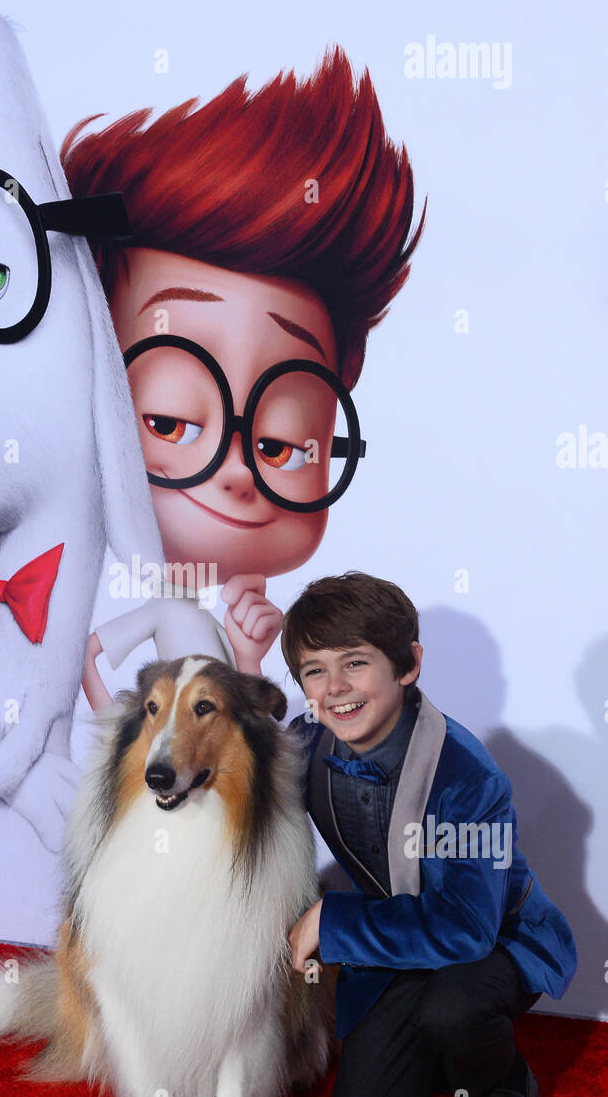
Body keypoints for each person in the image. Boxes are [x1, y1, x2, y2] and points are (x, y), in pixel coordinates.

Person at [62, 52, 424, 706]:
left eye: (277, 444)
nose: (232, 472)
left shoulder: (220, 621)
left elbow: (237, 738)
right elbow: (86, 659)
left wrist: (248, 655)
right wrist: (115, 733)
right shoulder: (150, 612)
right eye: (169, 420)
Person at [282, 571, 577, 1097]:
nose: (335, 689)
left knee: (452, 1010)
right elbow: (237, 778)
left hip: (491, 942)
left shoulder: (470, 776)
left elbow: (466, 928)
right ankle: (440, 1063)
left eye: (355, 663)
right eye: (315, 671)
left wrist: (327, 918)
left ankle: (505, 1081)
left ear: (408, 665)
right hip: (397, 943)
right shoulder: (308, 746)